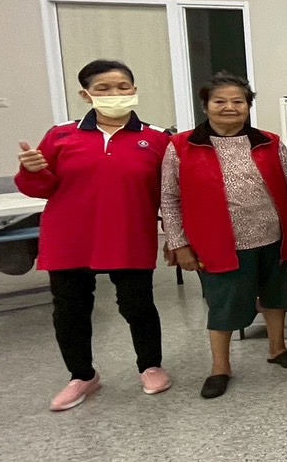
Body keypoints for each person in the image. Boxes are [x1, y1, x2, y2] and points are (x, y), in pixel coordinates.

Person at [15, 59, 173, 412]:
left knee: (138, 305)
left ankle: (151, 366)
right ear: (86, 95)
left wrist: (177, 237)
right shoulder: (60, 136)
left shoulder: (157, 138)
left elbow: (170, 193)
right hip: (69, 238)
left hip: (129, 235)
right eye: (103, 88)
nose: (115, 93)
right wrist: (32, 171)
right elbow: (40, 188)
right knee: (70, 310)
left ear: (134, 91)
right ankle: (82, 375)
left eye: (122, 87)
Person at [161, 73, 287, 400]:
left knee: (276, 296)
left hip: (271, 236)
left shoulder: (269, 142)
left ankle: (278, 348)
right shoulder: (181, 146)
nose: (230, 107)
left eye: (238, 101)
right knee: (223, 305)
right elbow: (169, 198)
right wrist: (178, 242)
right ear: (205, 106)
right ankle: (220, 368)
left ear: (248, 106)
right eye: (220, 101)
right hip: (218, 243)